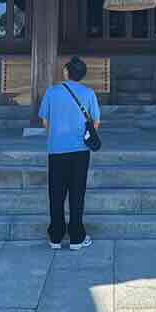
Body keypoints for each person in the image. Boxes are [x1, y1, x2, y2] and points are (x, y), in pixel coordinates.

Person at [37, 55, 100, 250]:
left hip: (56, 150)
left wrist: (57, 135)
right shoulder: (89, 94)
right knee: (77, 193)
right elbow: (95, 123)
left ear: (66, 72)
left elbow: (45, 121)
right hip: (80, 150)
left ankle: (55, 236)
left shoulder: (52, 92)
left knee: (56, 193)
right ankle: (76, 237)